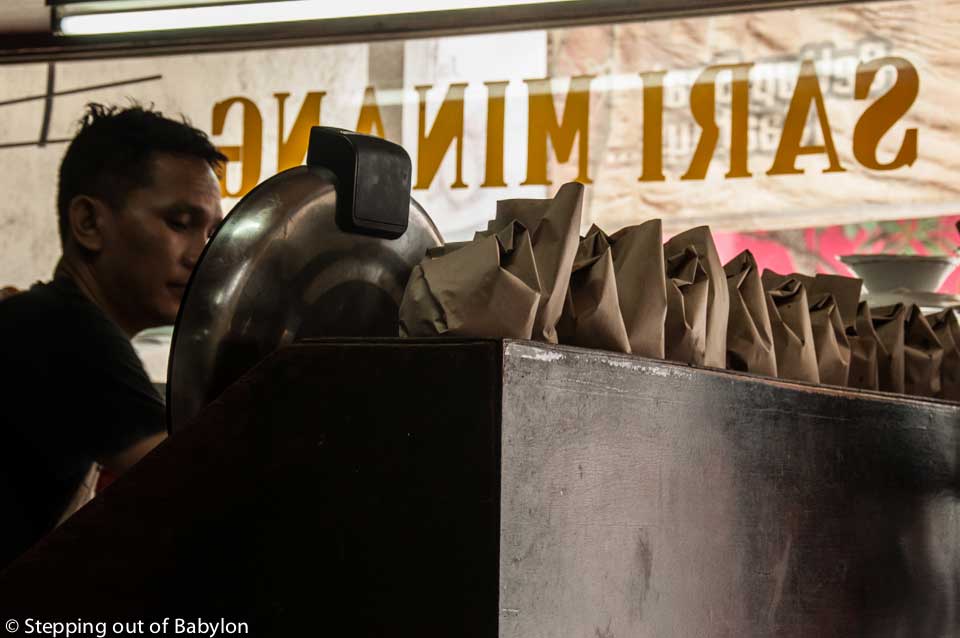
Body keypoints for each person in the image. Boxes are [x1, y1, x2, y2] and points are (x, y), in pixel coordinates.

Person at [0, 103, 226, 570]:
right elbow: (205, 496)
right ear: (88, 223)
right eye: (179, 223)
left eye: (211, 234)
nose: (200, 257)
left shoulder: (47, 318)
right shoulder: (67, 329)